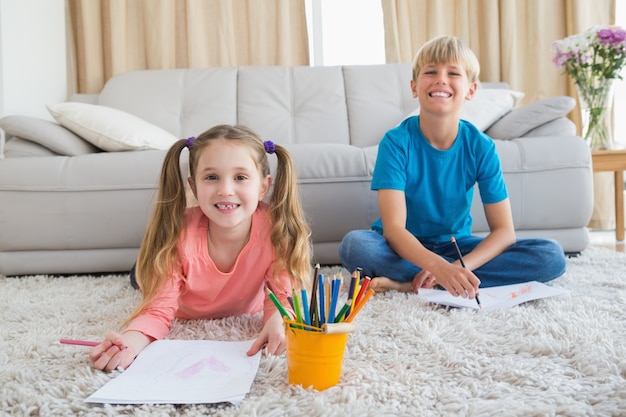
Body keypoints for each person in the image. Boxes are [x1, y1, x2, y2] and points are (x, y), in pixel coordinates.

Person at [339, 35, 566, 298]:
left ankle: (414, 283)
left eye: (453, 73)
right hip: (401, 247)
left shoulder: (481, 147)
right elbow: (394, 229)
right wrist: (438, 267)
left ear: (471, 90)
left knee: (551, 255)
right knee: (355, 246)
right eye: (431, 71)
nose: (441, 79)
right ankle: (442, 280)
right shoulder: (396, 142)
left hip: (457, 248)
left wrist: (455, 268)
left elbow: (504, 232)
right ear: (414, 87)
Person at [89, 124, 312, 371]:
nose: (225, 190)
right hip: (182, 278)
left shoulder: (277, 230)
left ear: (263, 186)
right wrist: (129, 342)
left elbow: (283, 296)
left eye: (240, 177)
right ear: (193, 187)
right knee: (142, 276)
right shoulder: (177, 233)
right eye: (211, 177)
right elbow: (157, 311)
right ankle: (139, 268)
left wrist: (279, 320)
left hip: (221, 282)